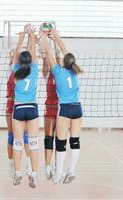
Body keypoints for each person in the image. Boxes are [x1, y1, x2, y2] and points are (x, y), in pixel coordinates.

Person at [40, 27, 83, 184]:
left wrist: (43, 36)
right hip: (78, 108)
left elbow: (49, 54)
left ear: (63, 62)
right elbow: (65, 52)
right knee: (75, 141)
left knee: (60, 143)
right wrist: (56, 36)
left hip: (65, 109)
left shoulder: (57, 71)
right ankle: (70, 171)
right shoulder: (74, 70)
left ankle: (58, 174)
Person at [12, 24, 39, 188]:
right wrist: (31, 36)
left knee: (17, 143)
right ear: (30, 60)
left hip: (19, 109)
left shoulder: (16, 69)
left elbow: (16, 54)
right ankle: (34, 175)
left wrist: (22, 36)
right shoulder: (34, 69)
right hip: (32, 108)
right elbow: (32, 53)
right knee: (34, 144)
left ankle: (17, 174)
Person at [6, 49, 31, 177]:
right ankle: (11, 165)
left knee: (25, 136)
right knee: (11, 136)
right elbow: (11, 63)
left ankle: (28, 163)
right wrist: (11, 57)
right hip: (10, 106)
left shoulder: (25, 72)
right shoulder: (11, 71)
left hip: (20, 105)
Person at [39, 26, 60, 180]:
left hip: (60, 110)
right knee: (48, 138)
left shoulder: (61, 73)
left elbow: (58, 58)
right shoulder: (47, 75)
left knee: (59, 139)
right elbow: (47, 62)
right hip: (49, 109)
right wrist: (44, 40)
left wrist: (55, 40)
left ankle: (57, 168)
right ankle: (47, 166)